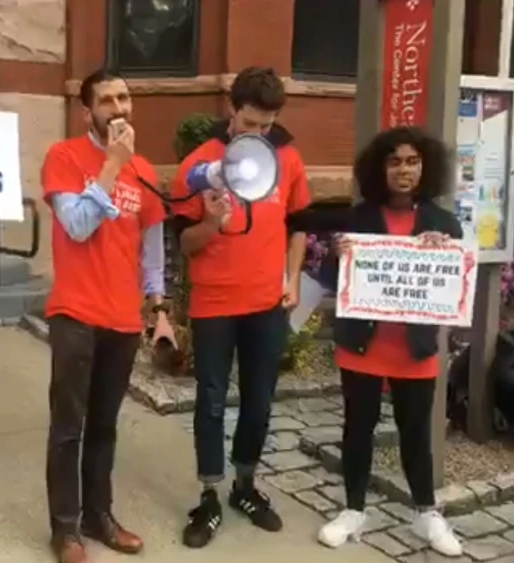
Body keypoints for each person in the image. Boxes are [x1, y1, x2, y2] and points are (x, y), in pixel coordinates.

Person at [170, 66, 311, 548]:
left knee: (259, 399)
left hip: (266, 303)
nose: (258, 135)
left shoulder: (287, 158)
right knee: (211, 400)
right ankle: (209, 494)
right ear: (232, 110)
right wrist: (210, 223)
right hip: (214, 303)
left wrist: (291, 279)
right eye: (249, 125)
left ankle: (245, 485)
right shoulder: (201, 162)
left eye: (266, 127)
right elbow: (185, 244)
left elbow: (298, 225)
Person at [41, 68, 175, 563]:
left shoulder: (145, 171)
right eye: (107, 100)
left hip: (122, 320)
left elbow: (153, 253)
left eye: (124, 98)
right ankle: (65, 528)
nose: (118, 108)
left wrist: (159, 310)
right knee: (68, 427)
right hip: (75, 313)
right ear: (87, 111)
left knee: (104, 426)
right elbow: (76, 226)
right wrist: (112, 166)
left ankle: (100, 514)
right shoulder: (64, 157)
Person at [314, 126, 463, 556]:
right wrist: (338, 256)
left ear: (425, 167)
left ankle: (426, 513)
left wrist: (444, 251)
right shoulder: (357, 220)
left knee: (415, 432)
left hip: (414, 349)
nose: (404, 170)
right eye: (394, 161)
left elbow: (454, 286)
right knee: (357, 429)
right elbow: (331, 281)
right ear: (380, 168)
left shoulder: (443, 222)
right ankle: (354, 510)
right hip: (362, 345)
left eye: (412, 161)